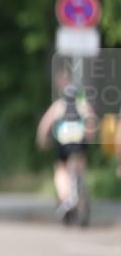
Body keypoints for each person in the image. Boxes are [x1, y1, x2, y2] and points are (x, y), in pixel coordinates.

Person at [36, 84, 97, 220]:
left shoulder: (59, 105)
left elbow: (45, 124)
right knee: (80, 165)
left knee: (61, 169)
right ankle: (81, 188)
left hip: (63, 142)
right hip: (79, 142)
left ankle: (65, 198)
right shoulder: (83, 105)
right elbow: (91, 122)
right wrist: (90, 137)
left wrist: (42, 141)